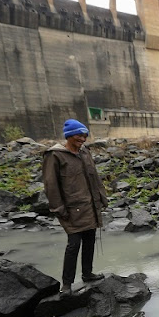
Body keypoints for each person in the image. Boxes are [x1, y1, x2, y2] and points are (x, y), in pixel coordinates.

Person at [42, 119, 109, 295]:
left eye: (85, 135)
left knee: (89, 240)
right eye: (79, 135)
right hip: (71, 209)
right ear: (69, 136)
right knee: (73, 245)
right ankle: (67, 284)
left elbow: (95, 177)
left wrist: (102, 198)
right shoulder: (54, 155)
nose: (83, 139)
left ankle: (87, 274)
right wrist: (58, 209)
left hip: (89, 205)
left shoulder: (85, 152)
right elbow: (51, 185)